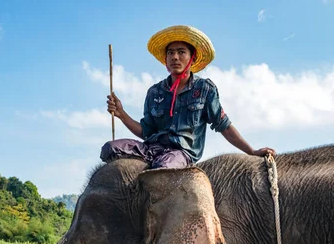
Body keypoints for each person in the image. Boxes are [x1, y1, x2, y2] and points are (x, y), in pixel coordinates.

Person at [101, 25, 276, 168]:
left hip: (180, 154)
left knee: (163, 168)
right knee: (110, 149)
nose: (175, 57)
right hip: (151, 148)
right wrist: (121, 114)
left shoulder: (205, 89)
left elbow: (224, 126)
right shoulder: (154, 92)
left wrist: (251, 152)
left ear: (192, 58)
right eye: (170, 53)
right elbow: (146, 132)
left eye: (181, 52)